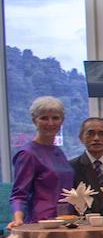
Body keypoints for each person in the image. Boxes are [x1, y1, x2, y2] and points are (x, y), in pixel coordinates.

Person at [10, 97, 75, 227]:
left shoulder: (58, 152)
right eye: (44, 118)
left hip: (66, 221)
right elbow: (19, 194)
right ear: (34, 120)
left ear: (62, 121)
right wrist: (18, 219)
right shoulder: (27, 154)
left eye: (55, 118)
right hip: (41, 224)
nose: (50, 123)